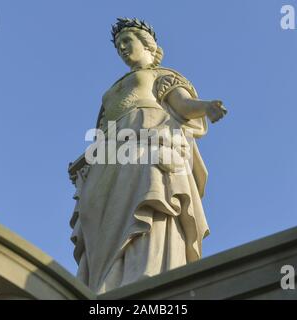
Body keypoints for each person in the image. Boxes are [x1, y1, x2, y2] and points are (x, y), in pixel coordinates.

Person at [70, 18, 227, 294]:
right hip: (110, 155)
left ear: (149, 46)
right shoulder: (111, 90)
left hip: (149, 144)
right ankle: (106, 284)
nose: (122, 47)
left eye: (127, 41)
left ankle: (145, 271)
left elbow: (182, 104)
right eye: (119, 45)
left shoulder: (160, 75)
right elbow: (101, 130)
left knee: (152, 199)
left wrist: (207, 107)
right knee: (100, 218)